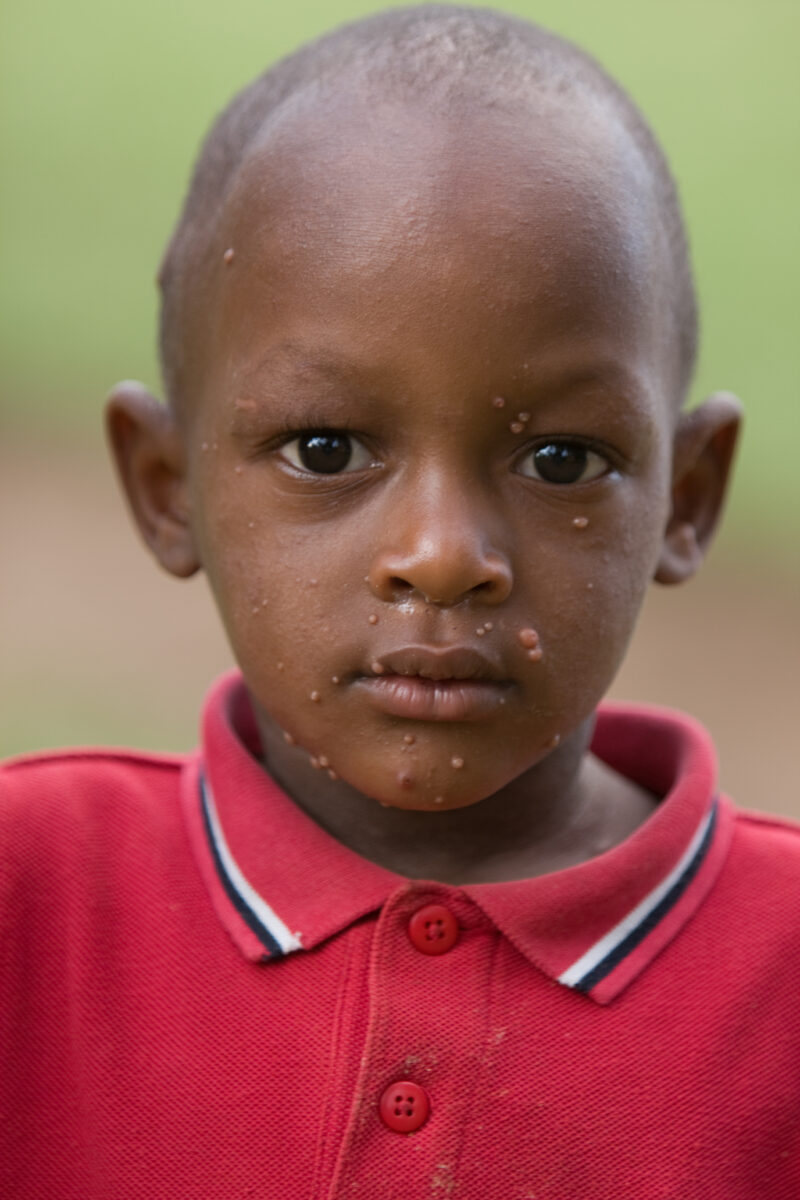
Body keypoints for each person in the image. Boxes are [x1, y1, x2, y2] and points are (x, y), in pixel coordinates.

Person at [2, 6, 797, 1197]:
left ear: (684, 499)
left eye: (562, 461)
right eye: (325, 449)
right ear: (167, 489)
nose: (439, 556)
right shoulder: (34, 900)